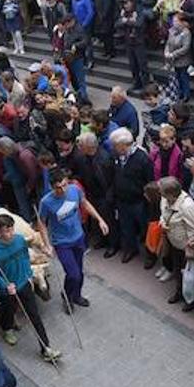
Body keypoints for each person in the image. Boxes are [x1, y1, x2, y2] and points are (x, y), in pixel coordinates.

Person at [36, 167, 109, 310]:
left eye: (64, 185)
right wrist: (47, 244)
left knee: (79, 272)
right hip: (62, 243)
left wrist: (100, 219)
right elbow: (42, 224)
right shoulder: (46, 202)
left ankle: (76, 295)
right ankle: (67, 297)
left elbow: (85, 203)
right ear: (51, 187)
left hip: (78, 237)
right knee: (73, 274)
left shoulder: (74, 189)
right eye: (58, 188)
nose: (63, 190)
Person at [0, 213, 59, 361]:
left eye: (11, 229)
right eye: (5, 231)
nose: (9, 234)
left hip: (24, 284)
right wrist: (6, 285)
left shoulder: (20, 240)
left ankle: (46, 348)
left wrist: (29, 271)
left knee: (34, 316)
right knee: (9, 311)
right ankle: (7, 328)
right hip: (8, 290)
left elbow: (26, 256)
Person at [107, 127, 154, 264]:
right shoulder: (117, 156)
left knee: (145, 229)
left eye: (116, 146)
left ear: (124, 145)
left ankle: (150, 255)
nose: (113, 148)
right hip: (122, 200)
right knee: (126, 228)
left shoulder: (142, 158)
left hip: (139, 201)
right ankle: (131, 249)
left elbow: (149, 181)